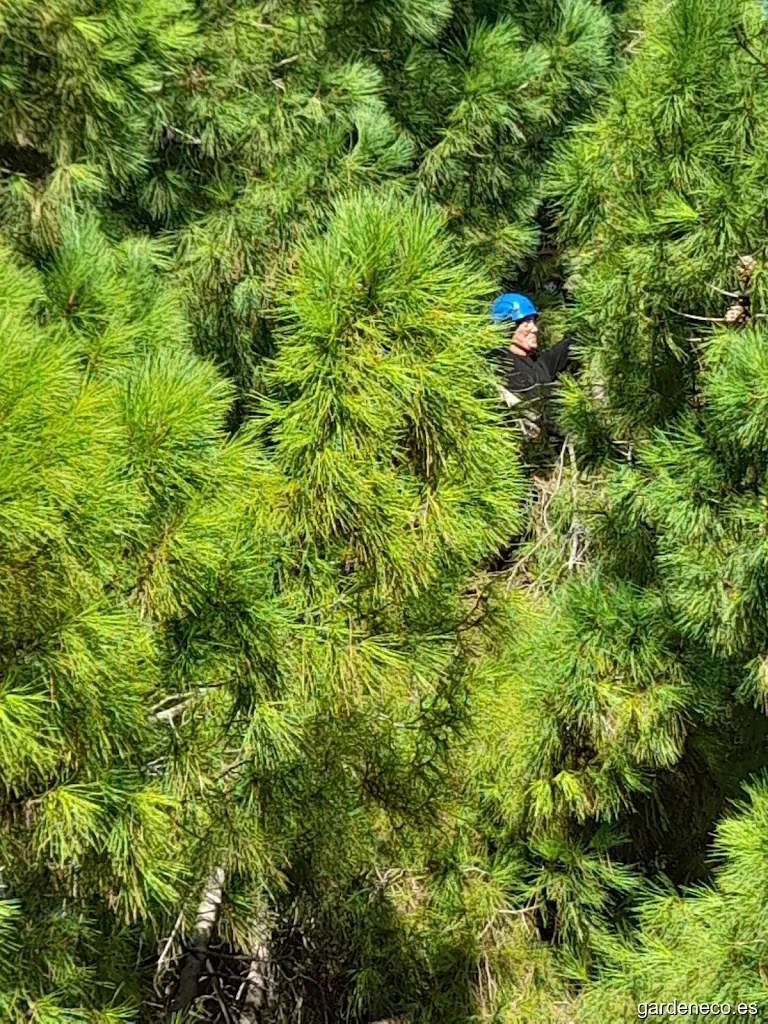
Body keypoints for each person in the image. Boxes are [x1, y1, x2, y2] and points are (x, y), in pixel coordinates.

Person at [488, 292, 573, 436]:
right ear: (507, 327)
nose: (534, 329)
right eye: (526, 323)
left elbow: (572, 343)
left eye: (534, 322)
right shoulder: (499, 367)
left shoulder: (539, 364)